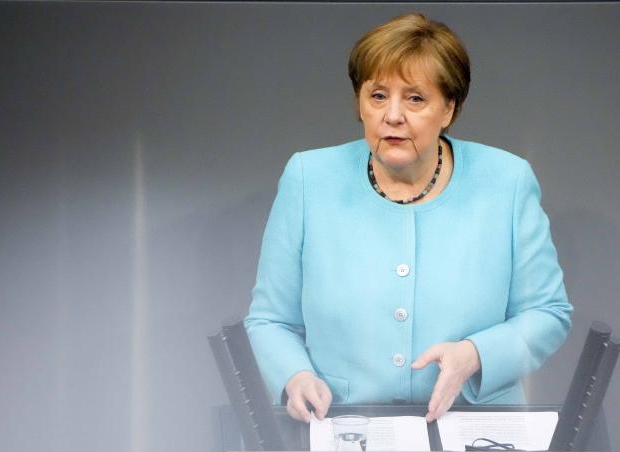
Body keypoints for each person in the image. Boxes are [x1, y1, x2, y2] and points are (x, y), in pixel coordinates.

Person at [245, 13, 572, 424]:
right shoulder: (309, 178)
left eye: (415, 99)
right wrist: (295, 376)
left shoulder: (506, 181)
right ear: (359, 103)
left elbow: (548, 312)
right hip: (346, 430)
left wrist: (475, 355)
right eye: (378, 96)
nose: (393, 115)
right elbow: (271, 320)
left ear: (448, 108)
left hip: (478, 432)